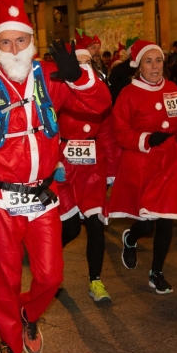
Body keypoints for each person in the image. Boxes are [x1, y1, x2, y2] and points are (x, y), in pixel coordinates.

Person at [0, 0, 110, 353]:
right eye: (6, 41)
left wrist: (80, 76)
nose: (14, 48)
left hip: (42, 200)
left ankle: (27, 315)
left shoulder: (50, 76)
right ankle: (9, 341)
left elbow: (98, 105)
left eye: (20, 40)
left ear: (31, 42)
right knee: (0, 281)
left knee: (51, 276)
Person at [108, 39, 177, 294]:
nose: (155, 66)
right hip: (142, 162)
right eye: (149, 61)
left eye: (158, 60)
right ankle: (131, 238)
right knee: (148, 223)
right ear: (139, 66)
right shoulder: (128, 94)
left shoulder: (173, 88)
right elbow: (120, 132)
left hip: (170, 163)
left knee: (166, 219)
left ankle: (156, 273)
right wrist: (145, 138)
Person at [57, 44, 113, 302]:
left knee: (95, 225)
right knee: (70, 229)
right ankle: (49, 266)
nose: (82, 69)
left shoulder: (100, 93)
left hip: (93, 169)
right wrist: (52, 163)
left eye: (86, 64)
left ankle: (96, 281)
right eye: (76, 64)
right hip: (65, 169)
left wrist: (111, 171)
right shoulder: (58, 91)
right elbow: (46, 130)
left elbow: (108, 134)